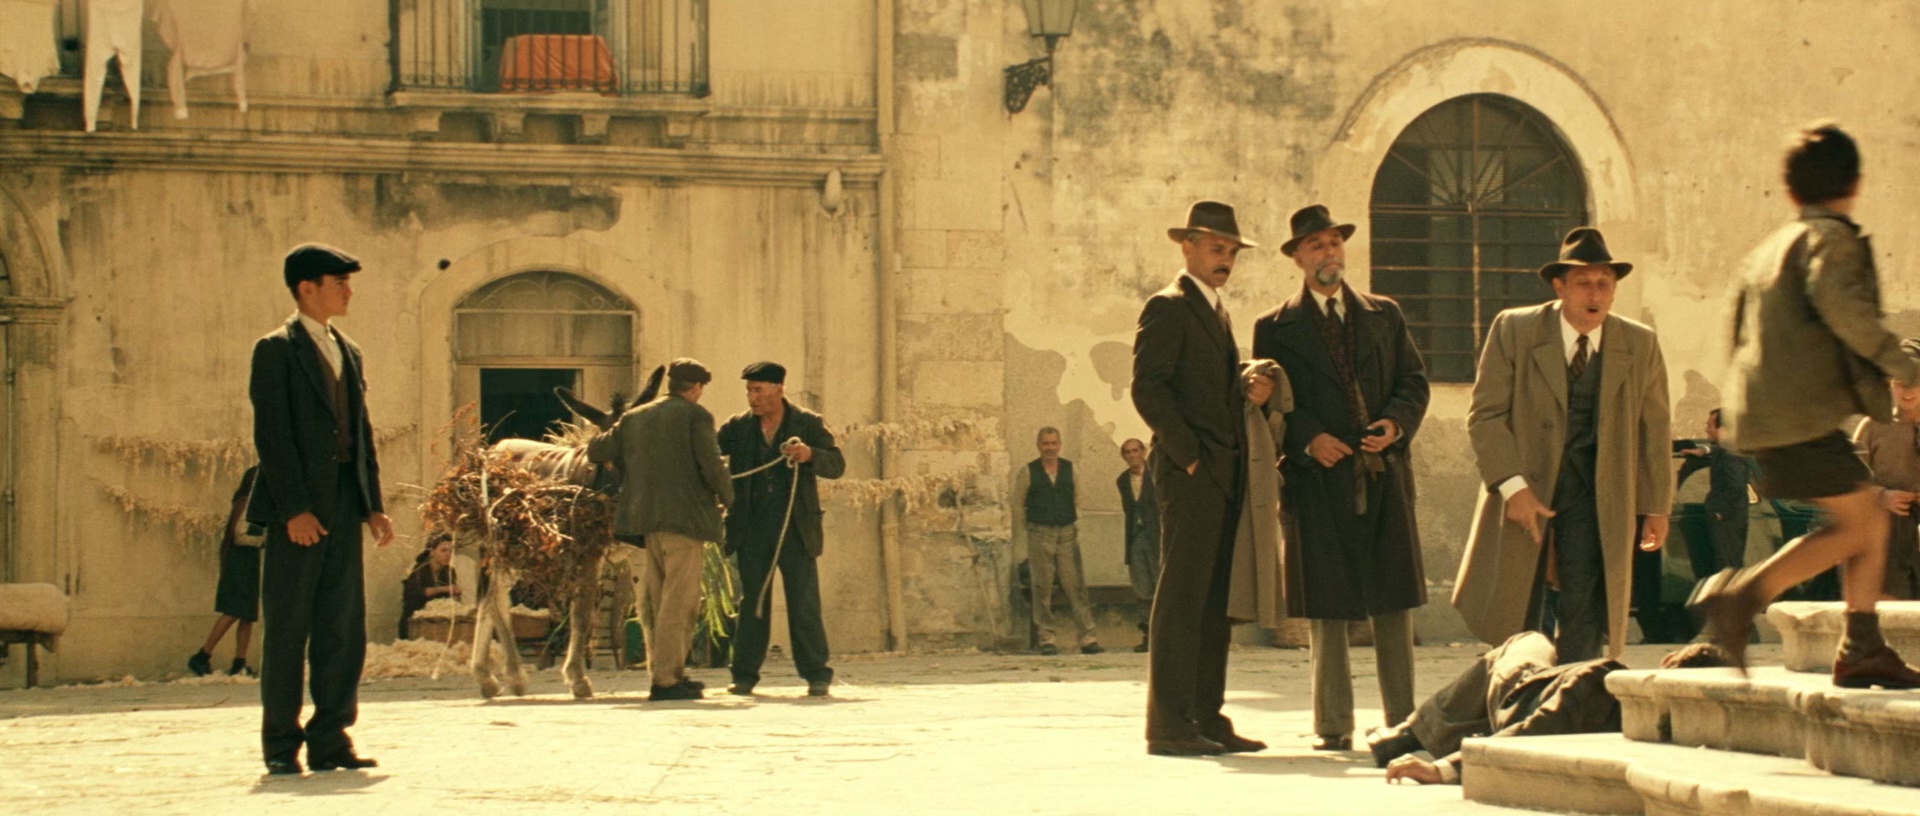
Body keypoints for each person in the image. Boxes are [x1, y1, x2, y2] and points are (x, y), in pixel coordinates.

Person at [1702, 122, 1920, 688]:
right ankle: (1741, 599)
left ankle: (1861, 645)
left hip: (1769, 415)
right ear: (1855, 182)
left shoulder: (1770, 248)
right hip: (1800, 417)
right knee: (1865, 519)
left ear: (1790, 188)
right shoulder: (1832, 239)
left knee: (1865, 518)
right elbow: (1844, 308)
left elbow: (1736, 327)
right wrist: (1900, 364)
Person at [1252, 204, 1432, 751]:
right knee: (1326, 602)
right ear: (1298, 258)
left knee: (1392, 599)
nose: (1328, 253)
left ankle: (1403, 720)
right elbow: (1273, 402)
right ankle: (1333, 724)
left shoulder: (1385, 314)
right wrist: (1309, 439)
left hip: (1382, 472)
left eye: (1334, 243)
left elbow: (1413, 382)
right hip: (1317, 478)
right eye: (1316, 246)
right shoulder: (1274, 327)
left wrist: (1393, 425)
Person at [1454, 227, 1673, 665]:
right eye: (1583, 283)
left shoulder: (1638, 342)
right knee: (1517, 604)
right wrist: (1513, 487)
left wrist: (1656, 507)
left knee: (1586, 603)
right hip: (1526, 486)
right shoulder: (1516, 329)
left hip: (1596, 493)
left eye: (1604, 283)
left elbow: (1655, 428)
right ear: (1559, 286)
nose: (1594, 294)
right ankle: (1515, 686)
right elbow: (1486, 416)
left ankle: (1575, 689)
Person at [248, 243, 396, 775]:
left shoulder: (348, 351)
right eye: (339, 283)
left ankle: (331, 739)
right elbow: (272, 436)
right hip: (300, 510)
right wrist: (294, 509)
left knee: (341, 627)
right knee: (289, 628)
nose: (348, 292)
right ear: (306, 288)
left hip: (344, 502)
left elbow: (361, 433)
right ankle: (280, 745)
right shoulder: (275, 349)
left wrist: (372, 505)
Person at [1132, 200, 1261, 756]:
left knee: (1214, 603)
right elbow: (1148, 388)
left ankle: (1206, 715)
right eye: (1215, 248)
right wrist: (1189, 457)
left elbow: (1204, 386)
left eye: (1231, 251)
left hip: (1223, 472)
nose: (1224, 259)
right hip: (1192, 474)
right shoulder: (1169, 305)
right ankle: (1168, 726)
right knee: (1183, 598)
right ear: (1187, 247)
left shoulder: (1215, 310)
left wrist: (1246, 385)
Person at [1373, 635, 1731, 785]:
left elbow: (1532, 732)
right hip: (1537, 696)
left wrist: (1442, 770)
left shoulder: (1600, 681)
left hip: (1518, 696)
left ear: (1667, 661)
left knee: (1528, 640)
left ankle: (1411, 732)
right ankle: (1414, 731)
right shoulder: (1672, 728)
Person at [587, 358, 732, 701]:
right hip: (685, 522)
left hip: (647, 524)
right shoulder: (696, 416)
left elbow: (597, 450)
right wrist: (729, 498)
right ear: (695, 388)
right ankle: (667, 680)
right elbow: (711, 465)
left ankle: (670, 673)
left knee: (659, 598)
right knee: (679, 602)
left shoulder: (635, 418)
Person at [716, 361, 846, 696]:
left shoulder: (808, 423)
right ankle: (743, 675)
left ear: (778, 389)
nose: (752, 397)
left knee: (803, 603)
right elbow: (709, 454)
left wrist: (809, 454)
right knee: (752, 602)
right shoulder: (737, 427)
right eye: (749, 390)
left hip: (795, 528)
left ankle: (817, 674)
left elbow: (836, 465)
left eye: (758, 390)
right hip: (751, 529)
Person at [1011, 427, 1103, 656]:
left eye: (1053, 443)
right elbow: (1018, 504)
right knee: (1041, 586)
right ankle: (1046, 638)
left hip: (1066, 534)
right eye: (1045, 443)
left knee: (1075, 585)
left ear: (1059, 445)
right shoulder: (1028, 471)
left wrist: (1074, 521)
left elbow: (1078, 498)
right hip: (1039, 533)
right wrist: (1028, 530)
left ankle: (1088, 637)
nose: (1049, 448)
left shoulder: (1071, 469)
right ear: (1038, 445)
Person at [188, 466, 263, 677]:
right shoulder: (245, 504)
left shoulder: (253, 504)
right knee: (234, 610)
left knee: (248, 613)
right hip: (240, 561)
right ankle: (202, 655)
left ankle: (240, 662)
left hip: (249, 561)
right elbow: (239, 536)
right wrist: (264, 541)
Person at [1854, 368, 1920, 600]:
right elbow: (1849, 478)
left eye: (1916, 382)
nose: (1908, 390)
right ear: (1891, 384)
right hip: (1889, 526)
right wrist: (1881, 496)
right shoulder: (1874, 425)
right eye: (1901, 382)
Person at [1677, 409, 1755, 578]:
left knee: (1727, 565)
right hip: (1728, 516)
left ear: (1723, 429)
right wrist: (1704, 450)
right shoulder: (1729, 448)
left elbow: (1735, 485)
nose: (1707, 429)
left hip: (1727, 517)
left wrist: (1720, 510)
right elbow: (1718, 449)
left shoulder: (1731, 453)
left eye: (1710, 425)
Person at [1117, 438, 1159, 653]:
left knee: (1160, 585)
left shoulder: (1156, 474)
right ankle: (1148, 634)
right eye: (1127, 452)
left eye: (1135, 451)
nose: (1132, 455)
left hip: (1156, 537)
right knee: (1142, 588)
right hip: (1136, 536)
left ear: (1143, 452)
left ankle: (1167, 635)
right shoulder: (1123, 480)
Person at [398, 533, 462, 640]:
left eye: (451, 551)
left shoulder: (449, 572)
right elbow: (418, 592)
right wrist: (444, 589)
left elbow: (449, 598)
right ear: (432, 552)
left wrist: (455, 595)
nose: (448, 555)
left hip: (436, 625)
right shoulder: (418, 569)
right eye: (444, 550)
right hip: (414, 624)